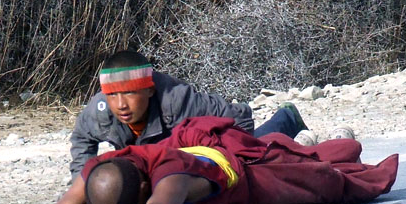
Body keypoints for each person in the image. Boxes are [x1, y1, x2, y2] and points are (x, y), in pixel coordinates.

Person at [9, 116, 399, 204]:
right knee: (281, 146)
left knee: (328, 176)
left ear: (144, 186)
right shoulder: (103, 168)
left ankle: (318, 135)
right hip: (206, 148)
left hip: (250, 175)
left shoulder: (171, 173)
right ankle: (294, 133)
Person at [68, 50, 313, 177]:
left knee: (256, 162)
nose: (121, 104)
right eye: (113, 95)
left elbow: (239, 119)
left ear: (149, 91)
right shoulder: (99, 112)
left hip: (211, 138)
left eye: (130, 94)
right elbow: (81, 140)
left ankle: (286, 119)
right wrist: (85, 181)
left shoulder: (177, 101)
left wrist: (226, 158)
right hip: (168, 152)